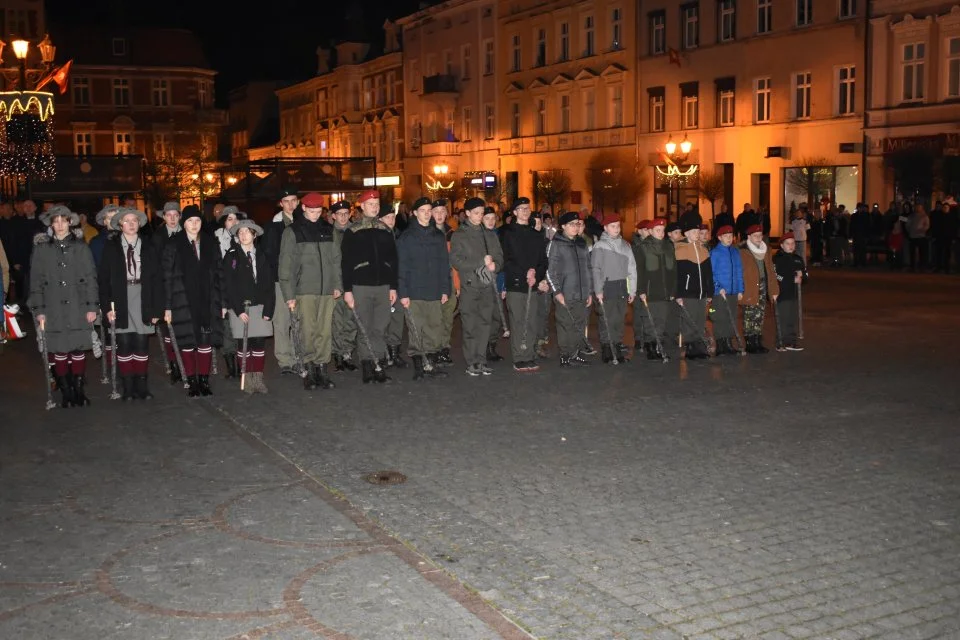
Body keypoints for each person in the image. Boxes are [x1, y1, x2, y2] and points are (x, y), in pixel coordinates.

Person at [29, 205, 99, 407]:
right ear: (51, 224)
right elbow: (36, 282)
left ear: (70, 222)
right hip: (53, 308)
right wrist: (39, 310)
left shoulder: (81, 247)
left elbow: (90, 278)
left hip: (77, 306)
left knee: (77, 350)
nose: (59, 224)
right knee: (59, 350)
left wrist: (92, 306)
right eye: (55, 221)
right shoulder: (42, 250)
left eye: (63, 220)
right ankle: (66, 391)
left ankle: (78, 389)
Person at [98, 208, 163, 400]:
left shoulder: (149, 245)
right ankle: (127, 386)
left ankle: (142, 386)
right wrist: (106, 308)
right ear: (120, 225)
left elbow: (158, 278)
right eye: (126, 221)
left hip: (143, 296)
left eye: (134, 220)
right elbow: (103, 279)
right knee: (124, 343)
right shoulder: (111, 247)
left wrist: (157, 308)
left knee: (142, 343)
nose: (131, 224)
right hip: (120, 297)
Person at [279, 192, 341, 391]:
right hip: (304, 290)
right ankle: (308, 369)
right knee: (307, 331)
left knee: (324, 331)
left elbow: (336, 261)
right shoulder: (292, 231)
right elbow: (286, 266)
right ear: (303, 208)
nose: (315, 215)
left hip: (326, 290)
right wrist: (289, 295)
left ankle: (321, 368)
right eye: (311, 211)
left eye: (318, 211)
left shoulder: (329, 230)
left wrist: (338, 285)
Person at [162, 205, 222, 398]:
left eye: (197, 220)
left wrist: (223, 302)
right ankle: (192, 380)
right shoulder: (173, 244)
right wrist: (168, 306)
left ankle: (204, 380)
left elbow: (219, 274)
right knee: (187, 343)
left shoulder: (211, 243)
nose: (194, 224)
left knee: (205, 342)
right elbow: (167, 276)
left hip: (206, 301)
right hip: (183, 301)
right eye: (190, 221)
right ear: (183, 223)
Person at [340, 190, 398, 383]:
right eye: (370, 204)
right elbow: (346, 263)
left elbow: (393, 260)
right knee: (365, 327)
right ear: (362, 206)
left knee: (380, 327)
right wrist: (347, 290)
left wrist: (393, 287)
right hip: (361, 286)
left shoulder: (385, 230)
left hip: (383, 286)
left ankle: (378, 364)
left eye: (377, 204)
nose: (375, 207)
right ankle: (367, 365)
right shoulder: (353, 231)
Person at [397, 197, 452, 380]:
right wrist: (403, 293)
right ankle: (419, 367)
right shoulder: (407, 237)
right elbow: (402, 266)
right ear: (415, 213)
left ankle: (430, 364)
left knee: (434, 329)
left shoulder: (438, 236)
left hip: (434, 290)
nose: (427, 214)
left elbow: (444, 264)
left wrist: (446, 289)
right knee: (416, 329)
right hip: (414, 292)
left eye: (429, 210)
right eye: (423, 210)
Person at [451, 198, 504, 376]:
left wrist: (495, 265)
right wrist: (480, 262)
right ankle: (471, 361)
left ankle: (481, 360)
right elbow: (456, 261)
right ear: (467, 213)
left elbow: (499, 257)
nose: (480, 216)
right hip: (470, 285)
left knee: (485, 323)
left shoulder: (489, 234)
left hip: (487, 285)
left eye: (482, 213)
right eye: (476, 213)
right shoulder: (460, 234)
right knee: (470, 324)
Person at [223, 219, 275, 393]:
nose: (244, 235)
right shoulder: (231, 256)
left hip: (259, 306)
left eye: (247, 232)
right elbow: (228, 285)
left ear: (254, 235)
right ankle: (247, 376)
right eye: (240, 232)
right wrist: (237, 310)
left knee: (258, 343)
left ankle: (257, 378)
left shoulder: (262, 255)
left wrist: (269, 308)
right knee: (244, 344)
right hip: (241, 308)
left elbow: (269, 284)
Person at [501, 196, 548, 372]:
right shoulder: (508, 233)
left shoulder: (536, 235)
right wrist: (524, 273)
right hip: (516, 283)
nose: (525, 211)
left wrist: (537, 273)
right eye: (521, 209)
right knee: (518, 321)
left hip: (532, 283)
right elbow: (507, 259)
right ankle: (519, 356)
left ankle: (529, 354)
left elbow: (543, 260)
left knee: (531, 322)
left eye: (527, 208)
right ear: (514, 212)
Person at [546, 212, 593, 366]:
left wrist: (589, 291)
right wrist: (557, 292)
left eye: (577, 224)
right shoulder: (556, 243)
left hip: (581, 292)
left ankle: (575, 353)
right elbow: (550, 270)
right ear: (563, 226)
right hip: (565, 292)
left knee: (579, 324)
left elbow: (588, 268)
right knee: (566, 325)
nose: (575, 227)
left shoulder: (581, 243)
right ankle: (565, 355)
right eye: (572, 224)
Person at [590, 212, 636, 363]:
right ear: (605, 228)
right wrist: (598, 290)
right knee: (607, 319)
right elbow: (596, 269)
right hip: (606, 287)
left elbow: (632, 268)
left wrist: (632, 289)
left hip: (622, 287)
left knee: (619, 320)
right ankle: (607, 350)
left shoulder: (626, 246)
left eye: (618, 226)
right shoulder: (600, 246)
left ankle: (616, 347)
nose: (616, 229)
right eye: (613, 226)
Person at [263, 188, 300, 375]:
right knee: (282, 321)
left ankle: (297, 356)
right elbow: (269, 255)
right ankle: (285, 359)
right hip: (280, 280)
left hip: (302, 281)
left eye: (294, 200)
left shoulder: (304, 222)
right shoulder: (273, 226)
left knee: (299, 321)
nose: (291, 204)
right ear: (281, 203)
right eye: (287, 201)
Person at [152, 201, 185, 383]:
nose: (172, 219)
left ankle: (185, 363)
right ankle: (174, 365)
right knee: (168, 331)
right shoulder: (157, 237)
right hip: (166, 288)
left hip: (184, 289)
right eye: (168, 215)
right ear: (164, 217)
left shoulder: (188, 232)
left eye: (175, 215)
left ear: (179, 216)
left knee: (184, 330)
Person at [674, 211, 714, 359]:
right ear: (687, 233)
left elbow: (709, 273)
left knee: (700, 318)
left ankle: (699, 344)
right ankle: (690, 345)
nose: (698, 234)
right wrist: (678, 293)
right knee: (689, 318)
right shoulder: (679, 249)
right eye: (695, 231)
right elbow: (677, 275)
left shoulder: (703, 249)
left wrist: (710, 291)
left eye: (698, 231)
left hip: (702, 292)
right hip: (687, 292)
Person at [634, 218, 675, 360]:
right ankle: (651, 347)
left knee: (661, 320)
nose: (661, 233)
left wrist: (673, 290)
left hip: (664, 291)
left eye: (663, 230)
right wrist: (641, 290)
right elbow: (639, 270)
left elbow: (673, 270)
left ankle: (659, 346)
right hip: (650, 290)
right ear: (650, 231)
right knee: (650, 320)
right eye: (658, 230)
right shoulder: (643, 247)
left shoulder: (669, 246)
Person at [214, 205, 244, 378]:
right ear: (224, 222)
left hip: (241, 288)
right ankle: (231, 367)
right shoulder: (216, 239)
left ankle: (242, 365)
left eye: (236, 218)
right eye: (229, 219)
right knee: (227, 328)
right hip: (223, 288)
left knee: (240, 326)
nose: (233, 222)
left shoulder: (246, 235)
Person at [329, 200, 359, 372]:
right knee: (337, 322)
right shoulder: (328, 234)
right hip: (337, 285)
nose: (343, 217)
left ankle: (347, 354)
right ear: (333, 216)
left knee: (351, 321)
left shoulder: (355, 232)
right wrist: (335, 285)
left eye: (346, 213)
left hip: (354, 284)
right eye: (339, 214)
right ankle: (338, 356)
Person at [739, 224, 779, 354]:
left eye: (760, 235)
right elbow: (738, 271)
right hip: (749, 287)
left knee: (760, 314)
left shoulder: (766, 250)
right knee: (749, 315)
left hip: (763, 285)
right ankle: (750, 342)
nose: (758, 238)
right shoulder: (742, 250)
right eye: (755, 236)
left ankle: (757, 340)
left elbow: (771, 271)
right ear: (749, 236)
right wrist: (740, 289)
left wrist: (774, 290)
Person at [709, 225, 744, 356]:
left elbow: (739, 272)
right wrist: (718, 287)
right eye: (726, 236)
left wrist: (740, 289)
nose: (729, 238)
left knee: (731, 317)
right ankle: (721, 344)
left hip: (733, 292)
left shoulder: (735, 252)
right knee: (720, 318)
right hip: (720, 293)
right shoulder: (715, 253)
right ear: (719, 238)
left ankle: (728, 343)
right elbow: (710, 273)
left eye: (731, 236)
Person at [380, 204, 408, 369]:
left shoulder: (399, 236)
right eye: (387, 218)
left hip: (397, 282)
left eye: (392, 217)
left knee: (397, 319)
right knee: (383, 320)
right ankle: (383, 353)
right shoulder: (377, 236)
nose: (390, 221)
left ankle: (394, 352)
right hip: (382, 284)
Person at [431, 199, 456, 366]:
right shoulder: (428, 233)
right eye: (436, 212)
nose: (439, 215)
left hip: (450, 281)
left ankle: (444, 349)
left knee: (448, 318)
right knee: (435, 318)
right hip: (433, 282)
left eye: (442, 212)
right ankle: (434, 349)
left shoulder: (452, 234)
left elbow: (456, 262)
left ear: (447, 214)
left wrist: (458, 285)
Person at [480, 206, 507, 361]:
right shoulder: (478, 236)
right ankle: (482, 349)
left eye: (493, 218)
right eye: (487, 218)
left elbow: (502, 262)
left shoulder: (499, 236)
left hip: (497, 281)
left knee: (496, 318)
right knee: (484, 318)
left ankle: (492, 348)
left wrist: (503, 285)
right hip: (483, 284)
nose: (490, 221)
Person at [773, 231, 807, 351]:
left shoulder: (798, 259)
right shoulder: (777, 259)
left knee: (792, 318)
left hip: (794, 294)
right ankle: (780, 342)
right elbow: (776, 275)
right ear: (782, 245)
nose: (791, 246)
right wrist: (791, 279)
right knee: (783, 318)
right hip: (782, 293)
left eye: (792, 243)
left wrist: (802, 277)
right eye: (788, 244)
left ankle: (791, 342)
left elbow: (805, 273)